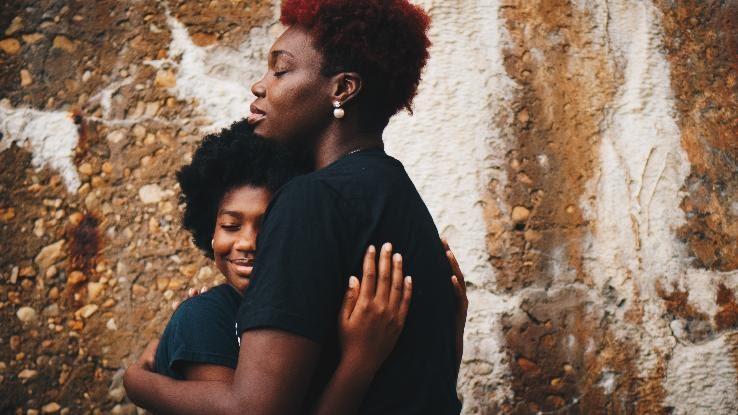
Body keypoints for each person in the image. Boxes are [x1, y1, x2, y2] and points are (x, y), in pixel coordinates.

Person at [124, 0, 466, 413]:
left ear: (342, 89)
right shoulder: (398, 195)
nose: (260, 85)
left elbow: (256, 409)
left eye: (281, 70)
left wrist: (138, 383)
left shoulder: (311, 199)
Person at [148, 120, 416, 414]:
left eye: (269, 225)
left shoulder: (308, 310)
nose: (247, 242)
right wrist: (359, 361)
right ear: (210, 233)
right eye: (231, 226)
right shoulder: (204, 317)